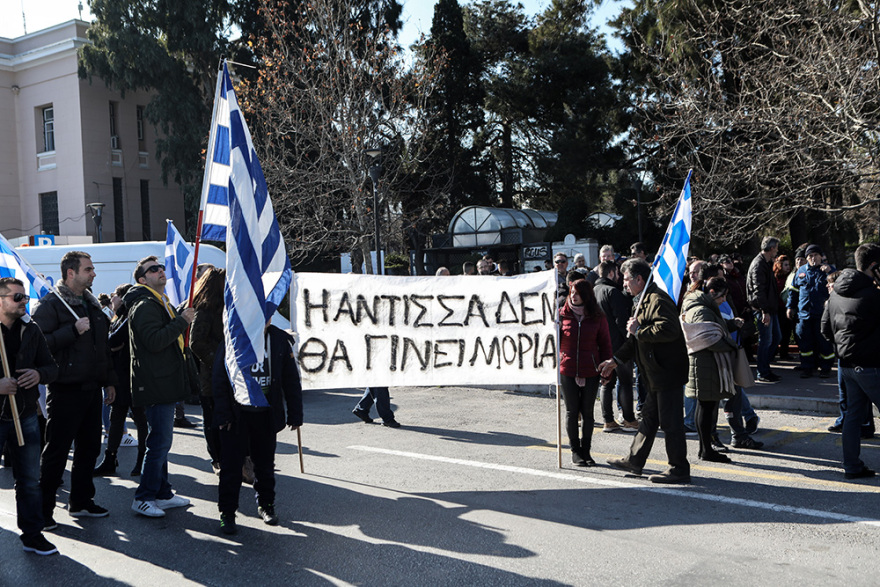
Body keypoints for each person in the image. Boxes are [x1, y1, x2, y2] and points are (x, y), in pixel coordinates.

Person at [34, 251, 117, 527]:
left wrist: (109, 381)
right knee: (57, 451)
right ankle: (43, 511)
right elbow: (37, 345)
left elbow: (102, 349)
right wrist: (71, 331)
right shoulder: (51, 304)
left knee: (90, 447)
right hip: (65, 390)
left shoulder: (92, 304)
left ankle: (81, 502)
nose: (94, 273)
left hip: (92, 389)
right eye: (88, 269)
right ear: (71, 273)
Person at [600, 258, 691, 484]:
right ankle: (634, 460)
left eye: (628, 280)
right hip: (653, 374)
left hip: (666, 372)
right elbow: (634, 341)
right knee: (649, 419)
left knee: (671, 423)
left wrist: (640, 329)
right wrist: (614, 360)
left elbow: (669, 330)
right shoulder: (641, 301)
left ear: (640, 279)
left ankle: (679, 469)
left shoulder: (657, 299)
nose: (624, 285)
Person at [213, 324, 303, 535]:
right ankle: (227, 512)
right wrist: (224, 414)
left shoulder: (279, 340)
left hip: (265, 415)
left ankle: (266, 505)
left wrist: (295, 414)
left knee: (264, 465)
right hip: (236, 416)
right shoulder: (232, 338)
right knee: (231, 467)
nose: (263, 317)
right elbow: (219, 379)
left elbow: (291, 380)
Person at [125, 256, 195, 517]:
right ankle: (143, 497)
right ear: (143, 279)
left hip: (163, 381)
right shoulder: (145, 304)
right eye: (153, 269)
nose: (161, 271)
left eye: (161, 267)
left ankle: (162, 493)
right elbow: (155, 341)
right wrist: (181, 321)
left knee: (161, 442)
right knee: (159, 443)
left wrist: (178, 315)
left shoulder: (160, 302)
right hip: (156, 384)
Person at [0, 278, 59, 555]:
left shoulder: (31, 329)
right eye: (17, 297)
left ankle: (33, 534)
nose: (25, 302)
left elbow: (51, 367)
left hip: (24, 413)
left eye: (25, 297)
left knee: (29, 479)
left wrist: (39, 374)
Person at [821, 243, 880, 479]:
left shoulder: (835, 292)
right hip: (871, 365)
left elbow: (825, 329)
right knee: (854, 416)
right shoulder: (874, 295)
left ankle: (852, 466)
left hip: (845, 364)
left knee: (852, 417)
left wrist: (843, 347)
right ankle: (852, 466)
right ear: (874, 266)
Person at [681, 277, 739, 463]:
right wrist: (731, 345)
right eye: (722, 297)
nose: (724, 301)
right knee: (706, 408)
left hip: (705, 363)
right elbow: (708, 338)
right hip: (705, 363)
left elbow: (713, 329)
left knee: (706, 407)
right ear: (712, 293)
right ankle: (706, 450)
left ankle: (705, 449)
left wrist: (729, 326)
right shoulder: (701, 309)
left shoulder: (700, 305)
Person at [94, 283, 149, 477]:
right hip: (119, 378)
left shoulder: (130, 317)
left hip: (133, 378)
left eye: (115, 295)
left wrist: (111, 345)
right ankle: (110, 458)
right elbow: (107, 342)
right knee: (116, 419)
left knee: (141, 420)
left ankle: (143, 459)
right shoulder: (118, 318)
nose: (112, 299)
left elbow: (111, 341)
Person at [558, 280, 612, 466]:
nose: (574, 296)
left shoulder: (598, 317)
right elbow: (552, 343)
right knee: (572, 412)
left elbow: (605, 345)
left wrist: (606, 369)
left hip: (591, 370)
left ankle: (586, 451)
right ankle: (575, 451)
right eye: (572, 292)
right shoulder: (561, 315)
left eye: (578, 293)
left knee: (587, 412)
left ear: (586, 295)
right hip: (568, 369)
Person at [592, 261, 638, 433]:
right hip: (617, 345)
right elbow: (621, 321)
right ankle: (628, 419)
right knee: (625, 382)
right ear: (611, 273)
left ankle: (608, 420)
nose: (619, 278)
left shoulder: (593, 291)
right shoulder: (613, 292)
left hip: (600, 344)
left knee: (606, 382)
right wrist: (629, 341)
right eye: (617, 274)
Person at [189, 268, 226, 474]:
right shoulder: (204, 310)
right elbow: (196, 343)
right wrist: (217, 362)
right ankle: (217, 459)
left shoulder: (227, 307)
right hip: (211, 377)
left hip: (228, 375)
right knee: (212, 420)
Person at [788, 245, 834, 378]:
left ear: (821, 256)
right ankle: (807, 367)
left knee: (824, 342)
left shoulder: (828, 270)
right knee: (804, 341)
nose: (813, 258)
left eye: (815, 255)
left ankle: (825, 367)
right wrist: (790, 307)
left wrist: (829, 271)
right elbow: (794, 291)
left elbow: (837, 286)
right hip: (804, 314)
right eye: (810, 256)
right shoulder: (801, 271)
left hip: (822, 314)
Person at [747, 236, 782, 382]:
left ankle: (766, 367)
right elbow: (758, 290)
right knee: (766, 340)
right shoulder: (759, 265)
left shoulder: (766, 263)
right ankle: (763, 371)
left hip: (769, 307)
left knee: (775, 338)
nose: (777, 252)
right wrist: (764, 311)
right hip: (763, 309)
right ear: (772, 248)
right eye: (777, 249)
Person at [773, 255, 793, 360]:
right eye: (785, 265)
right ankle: (773, 352)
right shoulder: (774, 278)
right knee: (777, 332)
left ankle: (784, 353)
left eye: (788, 265)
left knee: (786, 332)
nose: (788, 267)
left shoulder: (790, 277)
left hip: (786, 307)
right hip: (778, 309)